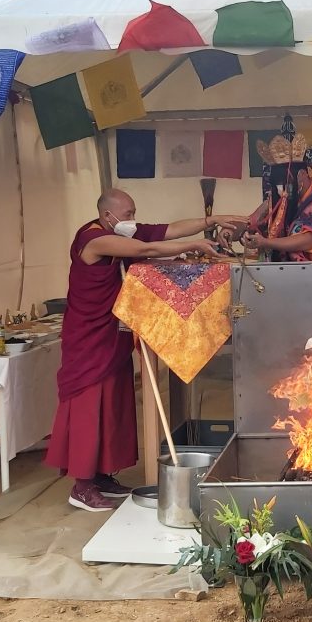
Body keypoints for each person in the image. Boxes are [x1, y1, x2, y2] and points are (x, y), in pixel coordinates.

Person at [44, 189, 239, 511]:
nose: (133, 219)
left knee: (114, 405)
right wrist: (194, 245)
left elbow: (167, 230)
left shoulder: (120, 230)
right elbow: (146, 248)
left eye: (134, 213)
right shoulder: (93, 239)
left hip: (113, 333)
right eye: (128, 214)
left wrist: (210, 220)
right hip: (88, 338)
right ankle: (82, 486)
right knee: (89, 409)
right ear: (108, 215)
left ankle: (102, 475)